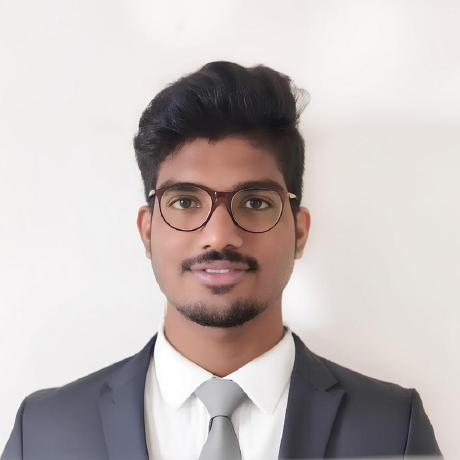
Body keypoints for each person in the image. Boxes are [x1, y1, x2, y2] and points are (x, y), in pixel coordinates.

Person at [1, 61, 442, 460]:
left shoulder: (391, 428)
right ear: (147, 231)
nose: (219, 236)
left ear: (299, 231)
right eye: (184, 201)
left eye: (255, 202)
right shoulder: (43, 432)